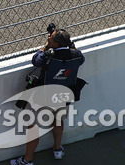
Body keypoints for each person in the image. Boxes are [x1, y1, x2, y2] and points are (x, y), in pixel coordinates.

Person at [10, 28, 85, 165]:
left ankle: (27, 160)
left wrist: (44, 47)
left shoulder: (49, 55)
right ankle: (57, 150)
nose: (48, 39)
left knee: (33, 128)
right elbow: (81, 59)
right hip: (64, 95)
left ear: (55, 44)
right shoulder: (77, 55)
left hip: (44, 97)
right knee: (57, 120)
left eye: (50, 39)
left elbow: (36, 61)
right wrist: (70, 45)